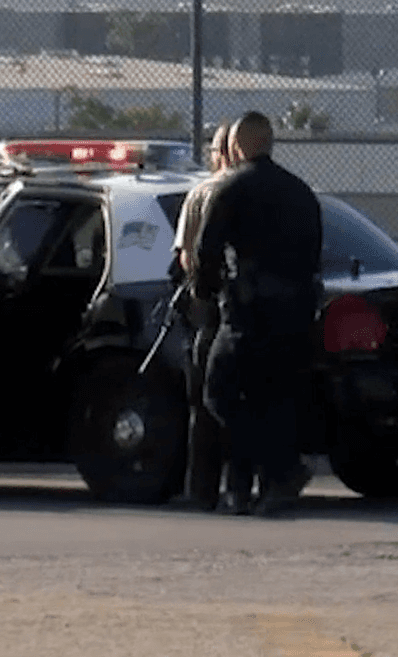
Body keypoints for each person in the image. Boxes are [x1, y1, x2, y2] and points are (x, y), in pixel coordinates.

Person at [193, 111, 322, 517]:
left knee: (219, 392)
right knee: (276, 400)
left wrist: (205, 293)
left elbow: (206, 253)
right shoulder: (302, 192)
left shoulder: (231, 188)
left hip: (248, 315)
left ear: (236, 146)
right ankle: (269, 484)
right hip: (297, 313)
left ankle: (282, 470)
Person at [171, 121, 231, 511]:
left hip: (213, 311)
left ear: (223, 152)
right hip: (277, 310)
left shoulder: (203, 193)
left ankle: (202, 489)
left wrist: (198, 290)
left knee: (204, 403)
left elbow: (187, 255)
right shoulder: (280, 193)